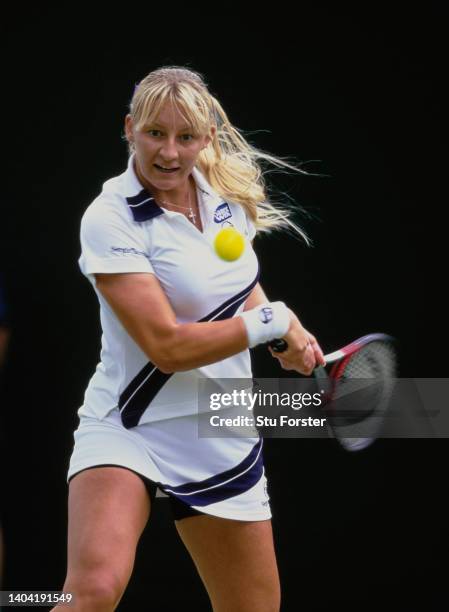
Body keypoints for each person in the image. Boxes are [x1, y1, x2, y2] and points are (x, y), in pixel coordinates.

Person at [52, 66, 325, 612]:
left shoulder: (226, 192)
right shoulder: (108, 220)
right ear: (129, 128)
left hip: (217, 424)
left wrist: (280, 329)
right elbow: (167, 348)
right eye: (155, 132)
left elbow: (238, 286)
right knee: (92, 591)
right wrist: (273, 323)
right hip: (129, 423)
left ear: (206, 139)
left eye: (185, 137)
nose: (169, 153)